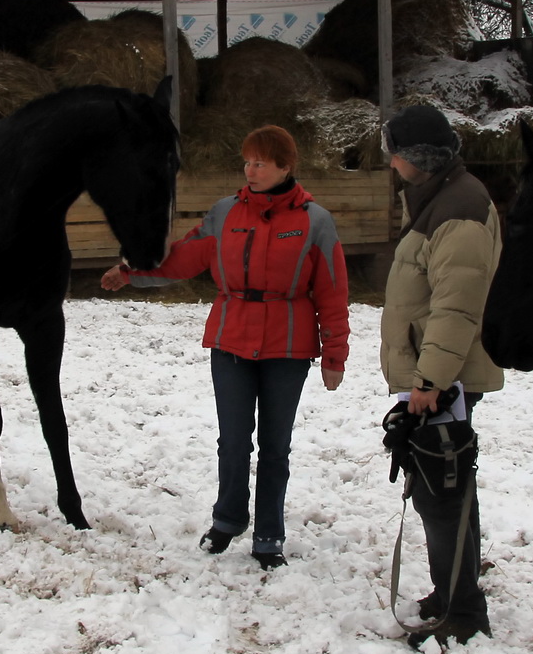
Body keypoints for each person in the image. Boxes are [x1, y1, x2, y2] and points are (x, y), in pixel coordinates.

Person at [101, 125, 349, 569]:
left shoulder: (315, 221)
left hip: (288, 347)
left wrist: (335, 355)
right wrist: (131, 272)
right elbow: (183, 257)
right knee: (233, 441)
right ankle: (228, 519)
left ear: (285, 167)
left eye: (260, 162)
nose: (250, 170)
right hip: (231, 338)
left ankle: (269, 534)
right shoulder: (225, 213)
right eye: (247, 161)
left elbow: (332, 291)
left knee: (276, 446)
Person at [379, 103, 503, 648]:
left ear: (416, 159)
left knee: (441, 491)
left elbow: (456, 307)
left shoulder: (458, 210)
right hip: (436, 373)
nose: (390, 164)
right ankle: (452, 590)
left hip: (443, 377)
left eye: (396, 154)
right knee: (446, 485)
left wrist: (430, 383)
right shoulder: (441, 197)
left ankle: (463, 612)